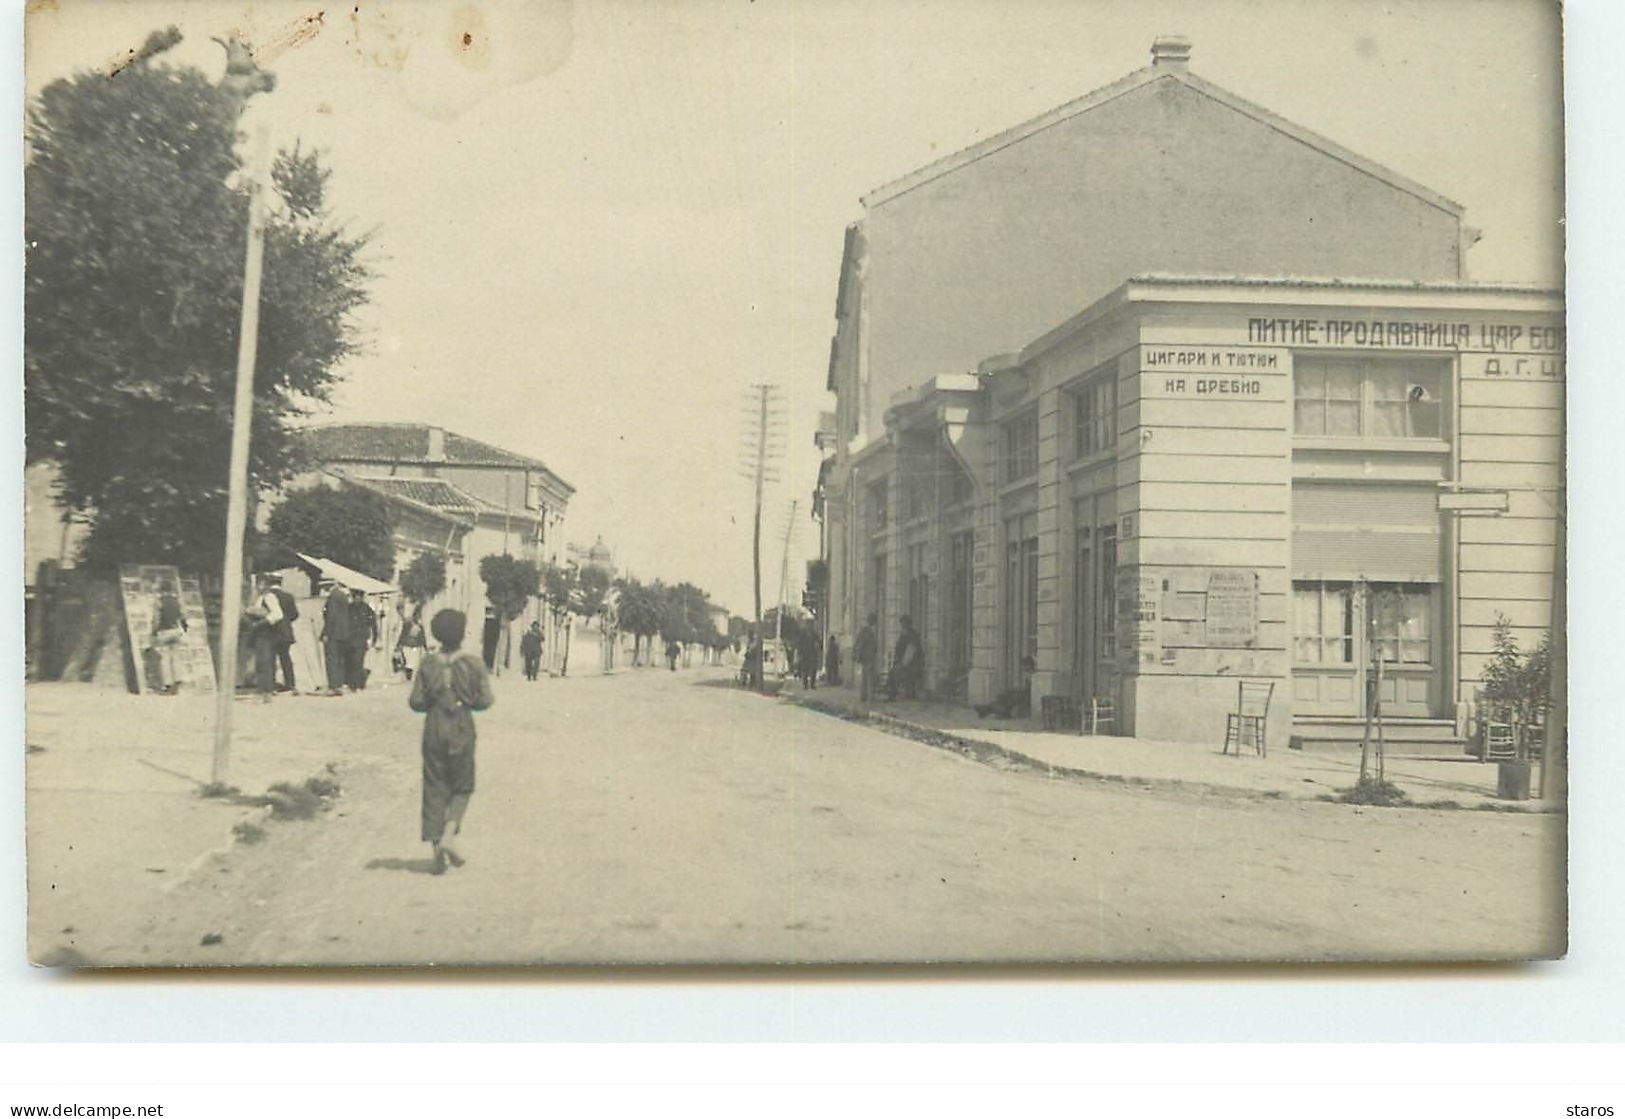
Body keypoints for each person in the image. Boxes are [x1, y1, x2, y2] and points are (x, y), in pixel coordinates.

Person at [409, 609, 495, 875]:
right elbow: (485, 700)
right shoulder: (473, 664)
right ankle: (449, 834)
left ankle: (437, 854)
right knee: (462, 784)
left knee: (434, 786)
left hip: (434, 726)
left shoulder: (427, 663)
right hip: (461, 726)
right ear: (461, 633)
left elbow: (416, 702)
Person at [247, 575, 283, 702]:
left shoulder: (269, 597)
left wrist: (263, 622)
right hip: (260, 633)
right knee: (261, 662)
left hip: (266, 632)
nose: (259, 587)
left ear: (266, 585)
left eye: (261, 584)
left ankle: (266, 691)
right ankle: (263, 691)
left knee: (265, 662)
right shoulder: (260, 598)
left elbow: (278, 614)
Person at [151, 577, 187, 695]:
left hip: (164, 631)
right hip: (176, 630)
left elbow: (156, 619)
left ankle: (167, 684)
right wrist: (184, 629)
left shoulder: (159, 601)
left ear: (161, 590)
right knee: (176, 656)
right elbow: (183, 617)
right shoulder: (177, 601)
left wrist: (154, 632)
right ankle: (177, 680)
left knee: (165, 658)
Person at [268, 574, 299, 693]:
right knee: (285, 658)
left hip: (271, 631)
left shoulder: (267, 596)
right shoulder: (289, 596)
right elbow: (295, 614)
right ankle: (290, 684)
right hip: (286, 632)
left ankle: (271, 685)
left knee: (270, 659)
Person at [320, 581, 351, 695]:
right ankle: (339, 684)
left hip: (333, 633)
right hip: (343, 633)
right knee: (340, 659)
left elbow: (331, 616)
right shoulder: (343, 595)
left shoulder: (333, 597)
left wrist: (326, 633)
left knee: (331, 659)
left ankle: (333, 686)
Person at [346, 589, 377, 691]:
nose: (357, 599)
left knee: (358, 661)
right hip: (350, 639)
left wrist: (374, 638)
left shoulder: (367, 609)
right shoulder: (349, 608)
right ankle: (354, 683)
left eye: (359, 596)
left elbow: (373, 624)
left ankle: (358, 684)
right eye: (355, 597)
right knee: (351, 661)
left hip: (361, 639)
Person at [888, 614, 923, 701]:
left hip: (911, 664)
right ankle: (894, 693)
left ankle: (893, 694)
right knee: (894, 672)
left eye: (903, 624)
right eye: (902, 624)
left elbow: (911, 650)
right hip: (906, 663)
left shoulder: (911, 635)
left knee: (894, 674)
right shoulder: (905, 633)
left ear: (908, 624)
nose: (902, 625)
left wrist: (903, 663)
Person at [855, 613, 879, 702]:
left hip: (867, 656)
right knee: (869, 677)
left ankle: (864, 695)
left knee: (866, 676)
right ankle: (869, 696)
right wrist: (859, 656)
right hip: (868, 656)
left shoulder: (866, 630)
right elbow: (861, 644)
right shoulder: (867, 631)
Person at [397, 612, 427, 681]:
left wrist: (399, 644)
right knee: (411, 662)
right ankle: (409, 676)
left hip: (408, 645)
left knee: (409, 662)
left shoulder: (408, 624)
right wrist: (425, 647)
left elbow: (403, 635)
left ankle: (409, 677)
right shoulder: (419, 626)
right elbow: (422, 637)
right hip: (413, 646)